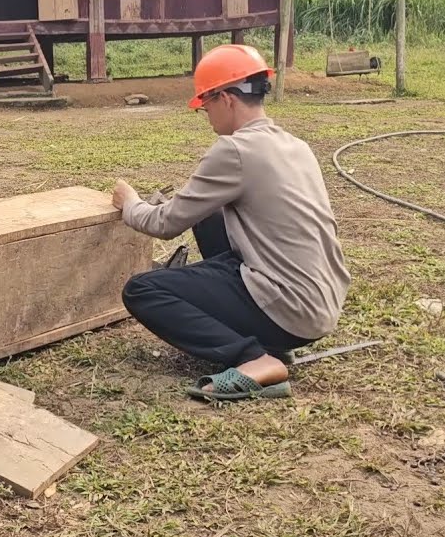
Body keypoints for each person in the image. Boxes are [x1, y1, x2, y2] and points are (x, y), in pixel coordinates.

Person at [111, 44, 350, 402]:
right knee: (207, 215)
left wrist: (131, 203)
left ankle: (253, 358)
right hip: (320, 303)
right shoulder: (294, 145)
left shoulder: (235, 150)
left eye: (206, 105)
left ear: (226, 98)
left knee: (142, 290)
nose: (207, 116)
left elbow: (165, 223)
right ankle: (258, 332)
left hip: (290, 310)